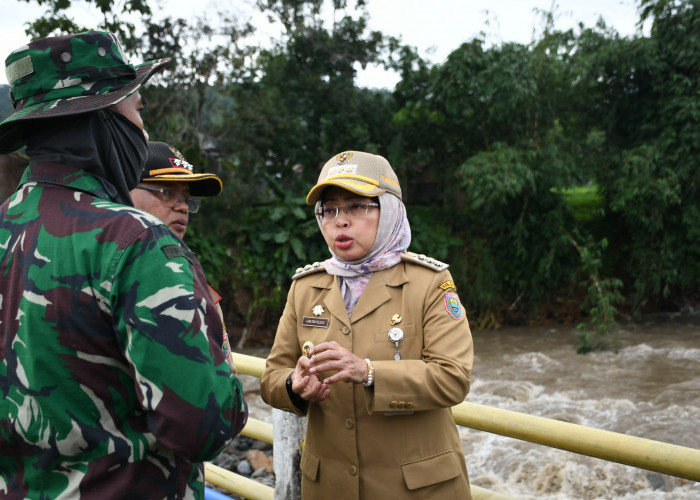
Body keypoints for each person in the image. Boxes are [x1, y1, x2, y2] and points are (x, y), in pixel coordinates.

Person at [0, 31, 247, 498]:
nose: (143, 131)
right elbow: (204, 424)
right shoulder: (135, 240)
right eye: (137, 112)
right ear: (99, 120)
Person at [260, 150, 474, 498]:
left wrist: (368, 371)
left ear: (388, 210)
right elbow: (271, 377)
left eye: (357, 206)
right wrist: (294, 384)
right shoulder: (305, 287)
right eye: (330, 210)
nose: (340, 221)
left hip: (415, 489)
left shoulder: (430, 283)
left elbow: (453, 378)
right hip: (329, 487)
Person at [131, 140, 236, 373]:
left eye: (186, 198)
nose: (183, 208)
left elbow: (225, 373)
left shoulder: (200, 289)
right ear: (125, 190)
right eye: (167, 192)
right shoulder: (98, 274)